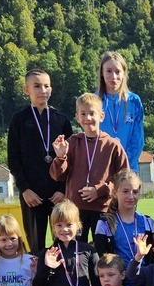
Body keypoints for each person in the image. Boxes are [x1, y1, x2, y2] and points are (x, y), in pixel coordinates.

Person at [7, 69, 73, 256]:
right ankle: (38, 275)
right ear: (26, 90)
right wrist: (25, 189)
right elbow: (13, 158)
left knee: (63, 243)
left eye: (46, 86)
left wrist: (63, 189)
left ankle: (63, 274)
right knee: (35, 247)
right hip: (32, 195)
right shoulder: (19, 120)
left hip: (57, 195)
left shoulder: (61, 120)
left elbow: (71, 158)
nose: (42, 90)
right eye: (37, 86)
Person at [50, 92, 129, 240]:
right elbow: (57, 176)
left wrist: (99, 190)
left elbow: (124, 179)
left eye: (92, 113)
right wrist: (60, 157)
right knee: (75, 249)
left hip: (103, 209)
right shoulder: (72, 142)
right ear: (77, 117)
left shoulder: (113, 145)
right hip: (75, 210)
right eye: (83, 114)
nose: (87, 118)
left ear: (101, 116)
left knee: (103, 249)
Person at [97, 50, 145, 169]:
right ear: (102, 72)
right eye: (109, 71)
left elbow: (138, 140)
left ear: (124, 73)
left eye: (118, 71)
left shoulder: (134, 101)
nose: (113, 76)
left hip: (128, 168)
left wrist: (124, 164)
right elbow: (91, 138)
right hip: (101, 169)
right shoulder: (94, 101)